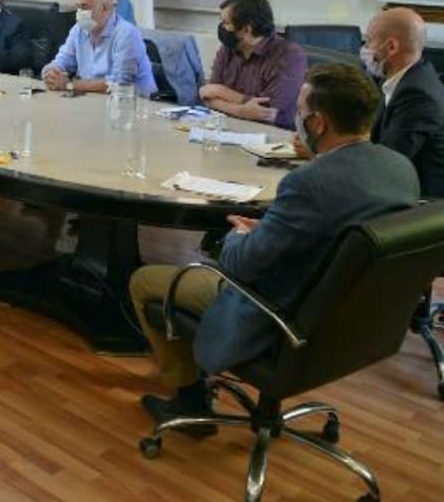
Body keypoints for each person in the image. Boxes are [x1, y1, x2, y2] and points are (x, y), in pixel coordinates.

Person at [129, 63, 419, 430]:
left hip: (279, 314)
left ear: (318, 124)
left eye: (300, 112)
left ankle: (189, 401)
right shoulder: (400, 169)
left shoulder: (308, 183)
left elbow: (240, 266)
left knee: (145, 281)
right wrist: (271, 229)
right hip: (349, 320)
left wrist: (238, 235)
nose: (296, 120)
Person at [363, 7, 444, 197]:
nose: (365, 49)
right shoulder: (410, 77)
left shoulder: (418, 94)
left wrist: (327, 157)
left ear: (391, 47)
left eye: (369, 40)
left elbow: (385, 166)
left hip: (430, 204)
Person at [200, 0, 307, 129]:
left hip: (274, 133)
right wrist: (241, 110)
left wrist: (221, 92)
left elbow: (266, 110)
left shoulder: (289, 55)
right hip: (229, 126)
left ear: (246, 30)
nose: (222, 28)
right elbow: (208, 97)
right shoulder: (228, 49)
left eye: (226, 23)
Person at [42, 0, 157, 97]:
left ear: (104, 9)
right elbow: (60, 62)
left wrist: (70, 85)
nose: (79, 13)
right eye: (78, 7)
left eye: (84, 7)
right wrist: (51, 74)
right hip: (93, 99)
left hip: (135, 103)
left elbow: (120, 83)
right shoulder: (78, 30)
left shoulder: (127, 33)